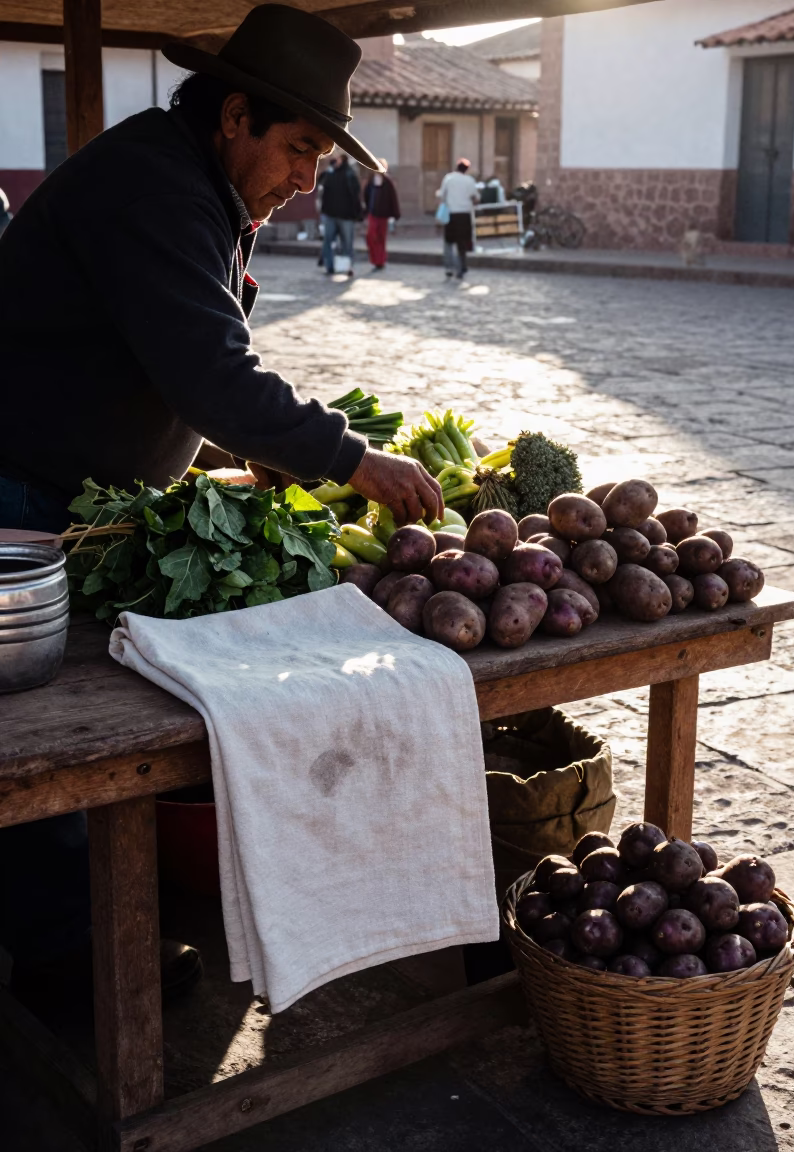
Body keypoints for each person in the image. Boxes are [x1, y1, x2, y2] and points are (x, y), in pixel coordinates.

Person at [0, 3, 442, 1004]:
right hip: (18, 484)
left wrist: (232, 457)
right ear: (234, 117)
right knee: (44, 735)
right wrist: (352, 460)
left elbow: (184, 362)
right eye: (297, 150)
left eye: (320, 161)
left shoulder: (197, 184)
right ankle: (66, 968)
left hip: (82, 497)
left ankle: (78, 927)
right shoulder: (155, 186)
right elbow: (209, 371)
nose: (304, 179)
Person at [320, 152, 362, 276]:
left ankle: (348, 267)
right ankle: (329, 266)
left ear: (343, 159)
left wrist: (356, 212)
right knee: (328, 241)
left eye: (337, 158)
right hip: (330, 214)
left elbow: (356, 192)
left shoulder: (350, 173)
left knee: (347, 243)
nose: (335, 160)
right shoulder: (330, 172)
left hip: (346, 216)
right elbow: (320, 183)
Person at [437, 158, 478, 280]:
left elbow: (441, 194)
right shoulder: (469, 181)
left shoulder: (448, 178)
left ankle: (449, 267)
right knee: (462, 243)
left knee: (448, 242)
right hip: (464, 215)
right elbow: (475, 197)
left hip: (451, 214)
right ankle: (461, 267)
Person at [363, 158, 400, 270]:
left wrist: (395, 214)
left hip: (383, 214)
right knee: (371, 236)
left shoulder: (388, 182)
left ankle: (380, 260)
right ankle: (374, 258)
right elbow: (366, 195)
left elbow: (393, 198)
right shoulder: (371, 180)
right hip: (372, 213)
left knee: (381, 238)